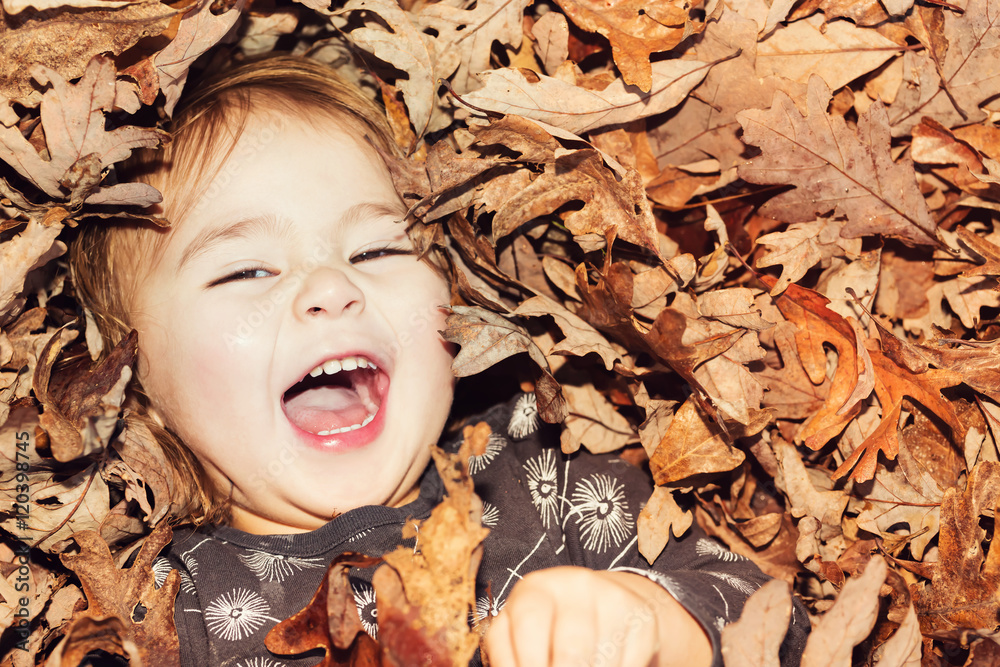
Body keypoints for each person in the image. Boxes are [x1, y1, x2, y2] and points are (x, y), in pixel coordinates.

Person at [69, 55, 808, 667]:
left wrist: (657, 625)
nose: (332, 286)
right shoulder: (164, 609)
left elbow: (772, 614)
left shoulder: (539, 470)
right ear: (126, 383)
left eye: (377, 250)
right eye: (247, 271)